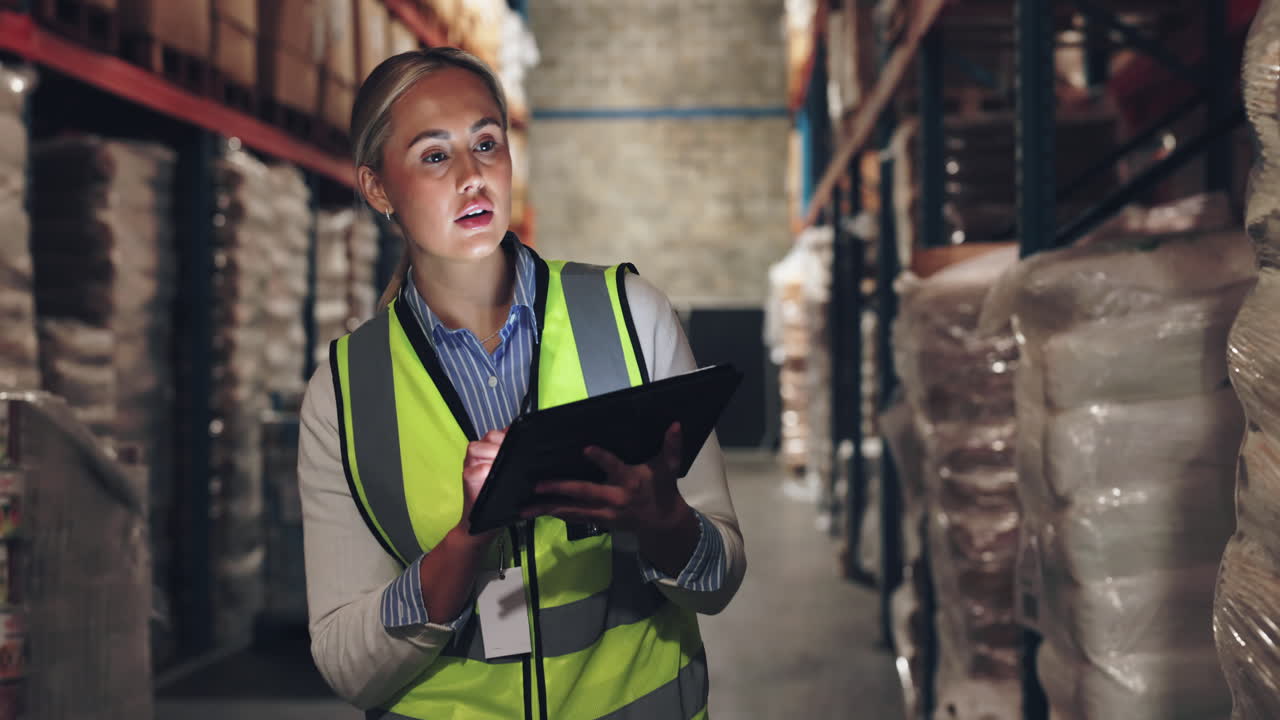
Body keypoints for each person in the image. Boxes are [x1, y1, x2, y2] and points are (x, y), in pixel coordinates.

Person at [298, 47, 746, 720]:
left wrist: (664, 523)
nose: (473, 177)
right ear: (378, 189)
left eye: (486, 143)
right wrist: (466, 542)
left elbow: (719, 579)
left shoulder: (628, 316)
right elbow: (345, 661)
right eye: (434, 156)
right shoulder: (343, 393)